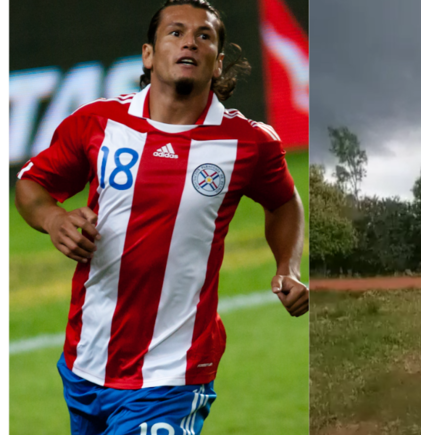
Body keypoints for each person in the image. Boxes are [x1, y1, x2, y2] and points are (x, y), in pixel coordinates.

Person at [14, 1, 308, 433]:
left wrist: (288, 267)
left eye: (204, 35)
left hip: (173, 374)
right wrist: (54, 219)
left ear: (217, 63)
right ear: (149, 55)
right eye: (175, 32)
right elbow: (31, 185)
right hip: (86, 361)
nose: (190, 40)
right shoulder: (98, 123)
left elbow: (284, 201)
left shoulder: (248, 143)